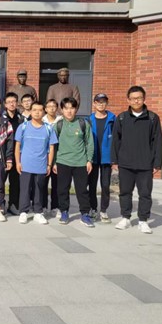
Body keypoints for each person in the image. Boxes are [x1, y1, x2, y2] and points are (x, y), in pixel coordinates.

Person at [111, 86, 162, 234]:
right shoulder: (122, 118)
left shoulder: (152, 118)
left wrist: (157, 162)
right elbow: (116, 140)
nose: (136, 101)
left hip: (145, 164)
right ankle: (125, 218)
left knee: (145, 194)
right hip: (125, 163)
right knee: (125, 192)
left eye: (139, 98)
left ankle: (143, 220)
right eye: (133, 98)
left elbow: (157, 141)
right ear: (128, 100)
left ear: (144, 99)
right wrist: (114, 160)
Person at [53, 97, 94, 227]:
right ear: (62, 110)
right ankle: (64, 212)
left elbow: (90, 143)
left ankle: (85, 214)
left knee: (82, 190)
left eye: (72, 108)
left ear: (76, 109)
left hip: (80, 162)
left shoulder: (83, 123)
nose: (69, 111)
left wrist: (89, 160)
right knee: (62, 189)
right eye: (66, 108)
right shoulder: (58, 125)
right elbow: (53, 145)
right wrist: (54, 162)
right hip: (63, 162)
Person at [14, 102, 58, 225]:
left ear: (44, 112)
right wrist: (18, 162)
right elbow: (17, 146)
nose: (37, 112)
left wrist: (49, 164)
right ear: (31, 111)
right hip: (26, 164)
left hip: (41, 164)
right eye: (34, 110)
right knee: (25, 189)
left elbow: (51, 148)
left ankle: (38, 212)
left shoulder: (48, 128)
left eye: (40, 110)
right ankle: (23, 212)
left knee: (39, 189)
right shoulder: (23, 127)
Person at [88, 93, 116, 223]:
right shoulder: (89, 120)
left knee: (105, 185)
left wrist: (114, 158)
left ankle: (104, 210)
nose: (101, 104)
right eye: (98, 102)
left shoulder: (113, 119)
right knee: (92, 185)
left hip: (106, 158)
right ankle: (93, 209)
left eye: (103, 102)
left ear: (107, 103)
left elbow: (117, 140)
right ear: (94, 104)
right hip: (93, 157)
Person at [2, 92, 25, 215]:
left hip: (17, 155)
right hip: (3, 154)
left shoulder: (21, 119)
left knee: (15, 182)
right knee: (0, 181)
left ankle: (13, 204)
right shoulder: (1, 118)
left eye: (14, 102)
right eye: (9, 102)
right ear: (5, 104)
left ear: (17, 103)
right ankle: (0, 204)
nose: (12, 104)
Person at [42, 99, 63, 217]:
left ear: (57, 108)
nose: (51, 108)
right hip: (43, 157)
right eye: (49, 106)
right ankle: (43, 206)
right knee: (42, 184)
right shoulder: (41, 120)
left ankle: (55, 207)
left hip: (57, 157)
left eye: (54, 106)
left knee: (57, 184)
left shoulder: (61, 121)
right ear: (45, 109)